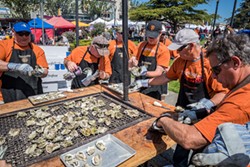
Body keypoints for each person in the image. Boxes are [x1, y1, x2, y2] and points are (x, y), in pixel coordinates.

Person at [151, 33, 250, 166]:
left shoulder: (240, 102)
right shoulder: (241, 84)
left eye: (216, 70)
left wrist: (162, 120)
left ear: (236, 62)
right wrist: (197, 113)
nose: (214, 76)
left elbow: (189, 139)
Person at [134, 28, 228, 166]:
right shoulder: (180, 61)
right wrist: (145, 82)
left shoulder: (209, 63)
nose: (176, 53)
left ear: (190, 46)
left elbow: (223, 92)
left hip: (205, 113)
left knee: (198, 149)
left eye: (179, 49)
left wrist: (206, 104)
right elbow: (166, 77)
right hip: (183, 109)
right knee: (180, 142)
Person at [0, 22, 48, 103]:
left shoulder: (37, 50)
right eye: (20, 34)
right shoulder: (4, 45)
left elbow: (45, 71)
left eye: (27, 34)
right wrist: (14, 66)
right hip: (8, 94)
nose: (24, 37)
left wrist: (40, 72)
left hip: (33, 94)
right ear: (13, 32)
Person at [130, 20, 171, 100]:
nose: (151, 39)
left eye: (153, 37)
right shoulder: (142, 45)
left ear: (160, 34)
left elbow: (158, 72)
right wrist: (132, 61)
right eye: (149, 36)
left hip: (153, 87)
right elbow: (133, 60)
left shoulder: (163, 50)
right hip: (138, 84)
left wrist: (142, 72)